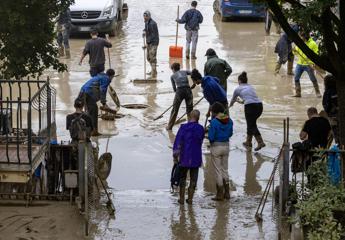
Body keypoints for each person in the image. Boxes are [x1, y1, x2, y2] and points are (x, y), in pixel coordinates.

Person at [173, 110, 204, 205]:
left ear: (190, 116)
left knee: (182, 178)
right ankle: (190, 199)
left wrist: (175, 155)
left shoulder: (183, 127)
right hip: (196, 157)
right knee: (193, 179)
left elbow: (178, 141)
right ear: (198, 118)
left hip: (184, 157)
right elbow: (201, 140)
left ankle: (181, 199)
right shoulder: (201, 128)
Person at [230, 71, 265, 151]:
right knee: (251, 123)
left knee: (251, 125)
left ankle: (260, 142)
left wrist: (230, 105)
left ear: (239, 81)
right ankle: (248, 142)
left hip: (250, 107)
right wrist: (240, 101)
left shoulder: (238, 89)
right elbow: (249, 99)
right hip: (259, 106)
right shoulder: (250, 87)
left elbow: (233, 99)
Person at [78, 69, 115, 136]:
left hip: (82, 92)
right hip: (88, 94)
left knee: (87, 112)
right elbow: (103, 90)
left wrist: (104, 103)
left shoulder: (100, 76)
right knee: (94, 112)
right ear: (112, 76)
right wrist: (104, 103)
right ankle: (94, 132)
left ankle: (85, 131)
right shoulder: (106, 79)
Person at [208, 102, 233, 201]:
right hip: (226, 145)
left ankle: (219, 194)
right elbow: (230, 133)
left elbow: (211, 137)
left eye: (212, 112)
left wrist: (210, 138)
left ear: (215, 112)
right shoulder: (229, 120)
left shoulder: (214, 122)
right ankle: (227, 193)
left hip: (216, 146)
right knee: (225, 170)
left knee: (218, 171)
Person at [293, 31, 321, 98]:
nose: (300, 38)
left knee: (312, 79)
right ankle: (298, 93)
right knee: (296, 78)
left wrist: (313, 63)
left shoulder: (313, 44)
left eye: (301, 36)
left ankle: (317, 92)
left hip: (309, 64)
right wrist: (294, 50)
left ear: (305, 37)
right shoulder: (300, 43)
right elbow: (296, 52)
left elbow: (316, 54)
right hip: (300, 63)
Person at [166, 63, 193, 130]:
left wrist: (178, 96)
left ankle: (169, 127)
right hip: (188, 90)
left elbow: (174, 89)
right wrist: (194, 83)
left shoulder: (172, 76)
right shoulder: (184, 72)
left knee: (175, 109)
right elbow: (193, 73)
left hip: (179, 91)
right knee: (189, 109)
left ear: (173, 69)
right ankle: (190, 125)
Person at [143, 11, 159, 79]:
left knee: (152, 58)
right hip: (149, 42)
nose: (144, 17)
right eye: (144, 16)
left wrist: (147, 44)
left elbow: (153, 35)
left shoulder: (153, 24)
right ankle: (154, 70)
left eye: (146, 16)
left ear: (149, 16)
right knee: (148, 58)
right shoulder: (146, 22)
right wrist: (144, 31)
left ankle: (153, 73)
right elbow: (147, 30)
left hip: (154, 42)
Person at [322, 74, 338, 143]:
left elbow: (326, 105)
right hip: (339, 115)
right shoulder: (339, 90)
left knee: (336, 133)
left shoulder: (328, 92)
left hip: (333, 116)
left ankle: (340, 146)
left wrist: (328, 113)